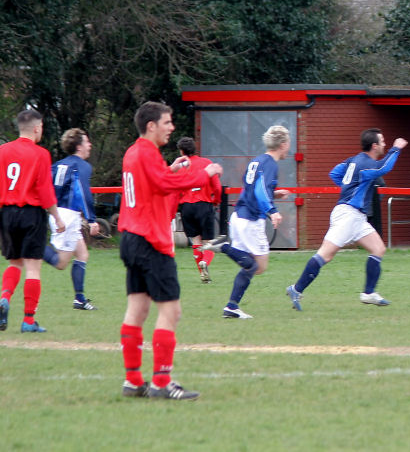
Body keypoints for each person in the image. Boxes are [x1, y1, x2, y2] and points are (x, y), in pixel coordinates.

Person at [118, 101, 222, 400]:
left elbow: (155, 183)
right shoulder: (147, 153)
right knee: (171, 310)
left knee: (137, 309)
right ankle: (162, 383)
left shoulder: (134, 152)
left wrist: (171, 169)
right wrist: (206, 173)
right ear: (151, 125)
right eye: (167, 122)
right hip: (150, 240)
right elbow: (163, 184)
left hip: (130, 238)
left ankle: (133, 380)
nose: (172, 127)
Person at [286, 128, 408, 311]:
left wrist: (348, 187)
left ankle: (368, 293)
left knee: (378, 249)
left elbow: (334, 174)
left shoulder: (354, 160)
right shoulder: (367, 163)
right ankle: (296, 289)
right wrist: (396, 148)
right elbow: (385, 167)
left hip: (356, 216)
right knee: (325, 254)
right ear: (374, 146)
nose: (384, 144)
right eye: (382, 141)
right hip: (348, 215)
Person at [202, 126, 291, 319]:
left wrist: (273, 194)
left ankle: (231, 307)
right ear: (283, 144)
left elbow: (252, 189)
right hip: (251, 220)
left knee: (249, 265)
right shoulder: (270, 164)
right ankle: (224, 247)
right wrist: (272, 211)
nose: (289, 148)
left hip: (240, 217)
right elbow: (259, 191)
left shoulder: (257, 161)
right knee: (258, 267)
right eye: (288, 144)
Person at [0, 110, 65, 333]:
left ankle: (5, 297)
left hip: (7, 213)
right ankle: (28, 321)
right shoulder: (41, 154)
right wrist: (57, 217)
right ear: (37, 128)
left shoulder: (3, 151)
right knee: (33, 268)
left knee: (14, 263)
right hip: (31, 213)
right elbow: (45, 191)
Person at [41, 128, 101, 310]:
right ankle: (32, 244)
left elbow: (47, 187)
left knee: (82, 254)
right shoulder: (82, 166)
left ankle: (80, 299)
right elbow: (82, 192)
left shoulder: (58, 164)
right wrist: (91, 219)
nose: (90, 145)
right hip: (68, 216)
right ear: (79, 146)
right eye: (87, 141)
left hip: (59, 213)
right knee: (61, 263)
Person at [176, 137, 222, 284]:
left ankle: (203, 276)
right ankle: (205, 263)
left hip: (187, 207)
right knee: (208, 242)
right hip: (204, 204)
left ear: (182, 151)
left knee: (196, 241)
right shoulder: (207, 163)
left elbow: (175, 189)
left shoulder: (180, 166)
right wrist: (216, 200)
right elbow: (217, 187)